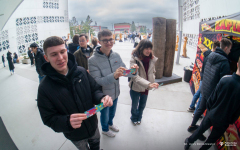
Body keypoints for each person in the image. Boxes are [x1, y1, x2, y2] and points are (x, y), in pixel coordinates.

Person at [37, 36, 113, 150]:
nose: (60, 58)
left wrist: (102, 97)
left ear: (67, 51)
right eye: (54, 54)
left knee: (96, 143)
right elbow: (48, 118)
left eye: (62, 52)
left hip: (93, 125)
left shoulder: (82, 72)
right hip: (75, 134)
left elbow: (95, 90)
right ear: (46, 58)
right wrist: (66, 122)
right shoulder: (44, 88)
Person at [88, 29, 139, 137]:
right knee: (104, 114)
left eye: (111, 39)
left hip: (115, 92)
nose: (109, 42)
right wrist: (114, 75)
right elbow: (97, 81)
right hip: (103, 96)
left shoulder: (116, 55)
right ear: (99, 42)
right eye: (105, 40)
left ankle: (110, 124)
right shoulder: (92, 60)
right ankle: (105, 130)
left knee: (112, 112)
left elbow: (124, 72)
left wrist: (133, 71)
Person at [184, 57, 240, 150]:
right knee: (211, 139)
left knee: (200, 130)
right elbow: (237, 111)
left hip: (212, 113)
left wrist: (210, 110)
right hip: (224, 120)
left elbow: (212, 97)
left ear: (237, 64)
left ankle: (189, 141)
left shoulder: (225, 79)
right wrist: (230, 120)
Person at [187, 38, 232, 136]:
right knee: (208, 115)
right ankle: (198, 134)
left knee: (200, 109)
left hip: (205, 88)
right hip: (213, 94)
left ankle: (192, 126)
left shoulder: (211, 55)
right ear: (226, 48)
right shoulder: (224, 62)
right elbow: (223, 83)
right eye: (229, 49)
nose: (230, 51)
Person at [187, 41, 220, 118]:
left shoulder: (208, 54)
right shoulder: (211, 56)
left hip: (203, 76)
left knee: (198, 93)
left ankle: (191, 107)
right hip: (206, 78)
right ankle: (196, 113)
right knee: (201, 96)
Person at [129, 39, 159, 125]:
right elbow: (134, 77)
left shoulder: (151, 59)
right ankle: (134, 117)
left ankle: (139, 117)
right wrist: (149, 84)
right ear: (141, 48)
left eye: (150, 48)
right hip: (136, 87)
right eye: (146, 48)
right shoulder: (134, 59)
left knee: (142, 105)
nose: (149, 51)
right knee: (134, 106)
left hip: (147, 87)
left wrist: (152, 79)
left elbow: (153, 71)